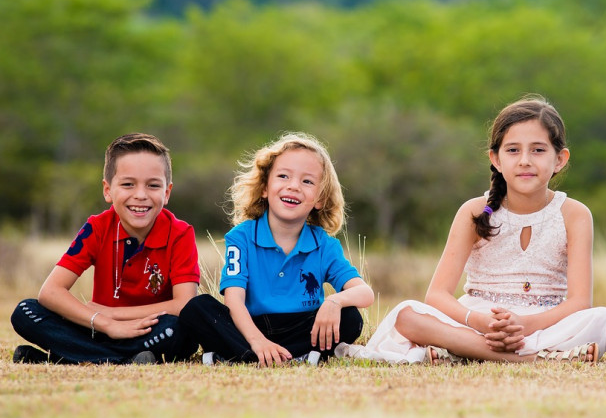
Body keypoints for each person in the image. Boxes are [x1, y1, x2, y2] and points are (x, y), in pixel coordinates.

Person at [341, 96, 606, 364]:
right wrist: (480, 322)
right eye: (513, 150)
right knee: (407, 315)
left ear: (559, 159)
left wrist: (524, 325)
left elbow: (579, 302)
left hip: (543, 322)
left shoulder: (575, 214)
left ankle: (463, 352)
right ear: (496, 159)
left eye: (538, 149)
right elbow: (437, 295)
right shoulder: (474, 211)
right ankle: (534, 358)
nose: (525, 160)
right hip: (478, 321)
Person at [178, 132, 373, 366]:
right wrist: (258, 341)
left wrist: (334, 302)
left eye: (307, 181)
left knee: (350, 318)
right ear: (264, 187)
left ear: (320, 199)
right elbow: (234, 301)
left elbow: (365, 294)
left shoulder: (325, 245)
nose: (293, 187)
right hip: (249, 327)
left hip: (301, 328)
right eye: (283, 176)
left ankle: (245, 356)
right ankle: (262, 355)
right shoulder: (241, 237)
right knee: (197, 309)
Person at [10, 133, 200, 364]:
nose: (140, 195)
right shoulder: (97, 228)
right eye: (128, 184)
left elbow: (184, 304)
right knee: (26, 312)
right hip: (99, 330)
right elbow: (50, 292)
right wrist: (105, 323)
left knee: (177, 330)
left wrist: (115, 315)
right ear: (108, 190)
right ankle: (121, 360)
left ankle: (71, 357)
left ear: (166, 192)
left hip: (150, 331)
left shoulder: (180, 233)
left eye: (153, 185)